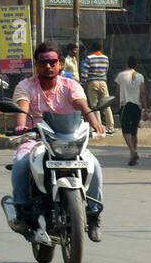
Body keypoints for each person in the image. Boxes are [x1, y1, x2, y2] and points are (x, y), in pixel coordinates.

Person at [10, 42, 106, 244]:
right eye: (43, 62)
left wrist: (96, 124)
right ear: (37, 65)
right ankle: (20, 210)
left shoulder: (70, 85)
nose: (48, 66)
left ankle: (95, 214)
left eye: (53, 62)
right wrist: (21, 125)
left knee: (94, 165)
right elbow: (22, 106)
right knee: (20, 163)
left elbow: (82, 105)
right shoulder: (26, 86)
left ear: (60, 64)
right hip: (35, 139)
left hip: (67, 141)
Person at [114, 56, 145, 167]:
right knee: (134, 131)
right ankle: (133, 156)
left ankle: (132, 151)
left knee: (125, 131)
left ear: (127, 64)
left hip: (125, 105)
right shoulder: (140, 76)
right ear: (136, 65)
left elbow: (117, 93)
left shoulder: (120, 76)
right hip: (137, 106)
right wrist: (145, 108)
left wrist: (117, 106)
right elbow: (143, 93)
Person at [80, 40, 114, 133]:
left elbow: (84, 73)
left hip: (92, 82)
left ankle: (98, 127)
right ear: (100, 48)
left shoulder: (89, 58)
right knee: (106, 105)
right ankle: (110, 127)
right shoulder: (105, 58)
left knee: (95, 106)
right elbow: (106, 70)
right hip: (103, 82)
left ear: (92, 48)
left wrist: (82, 84)